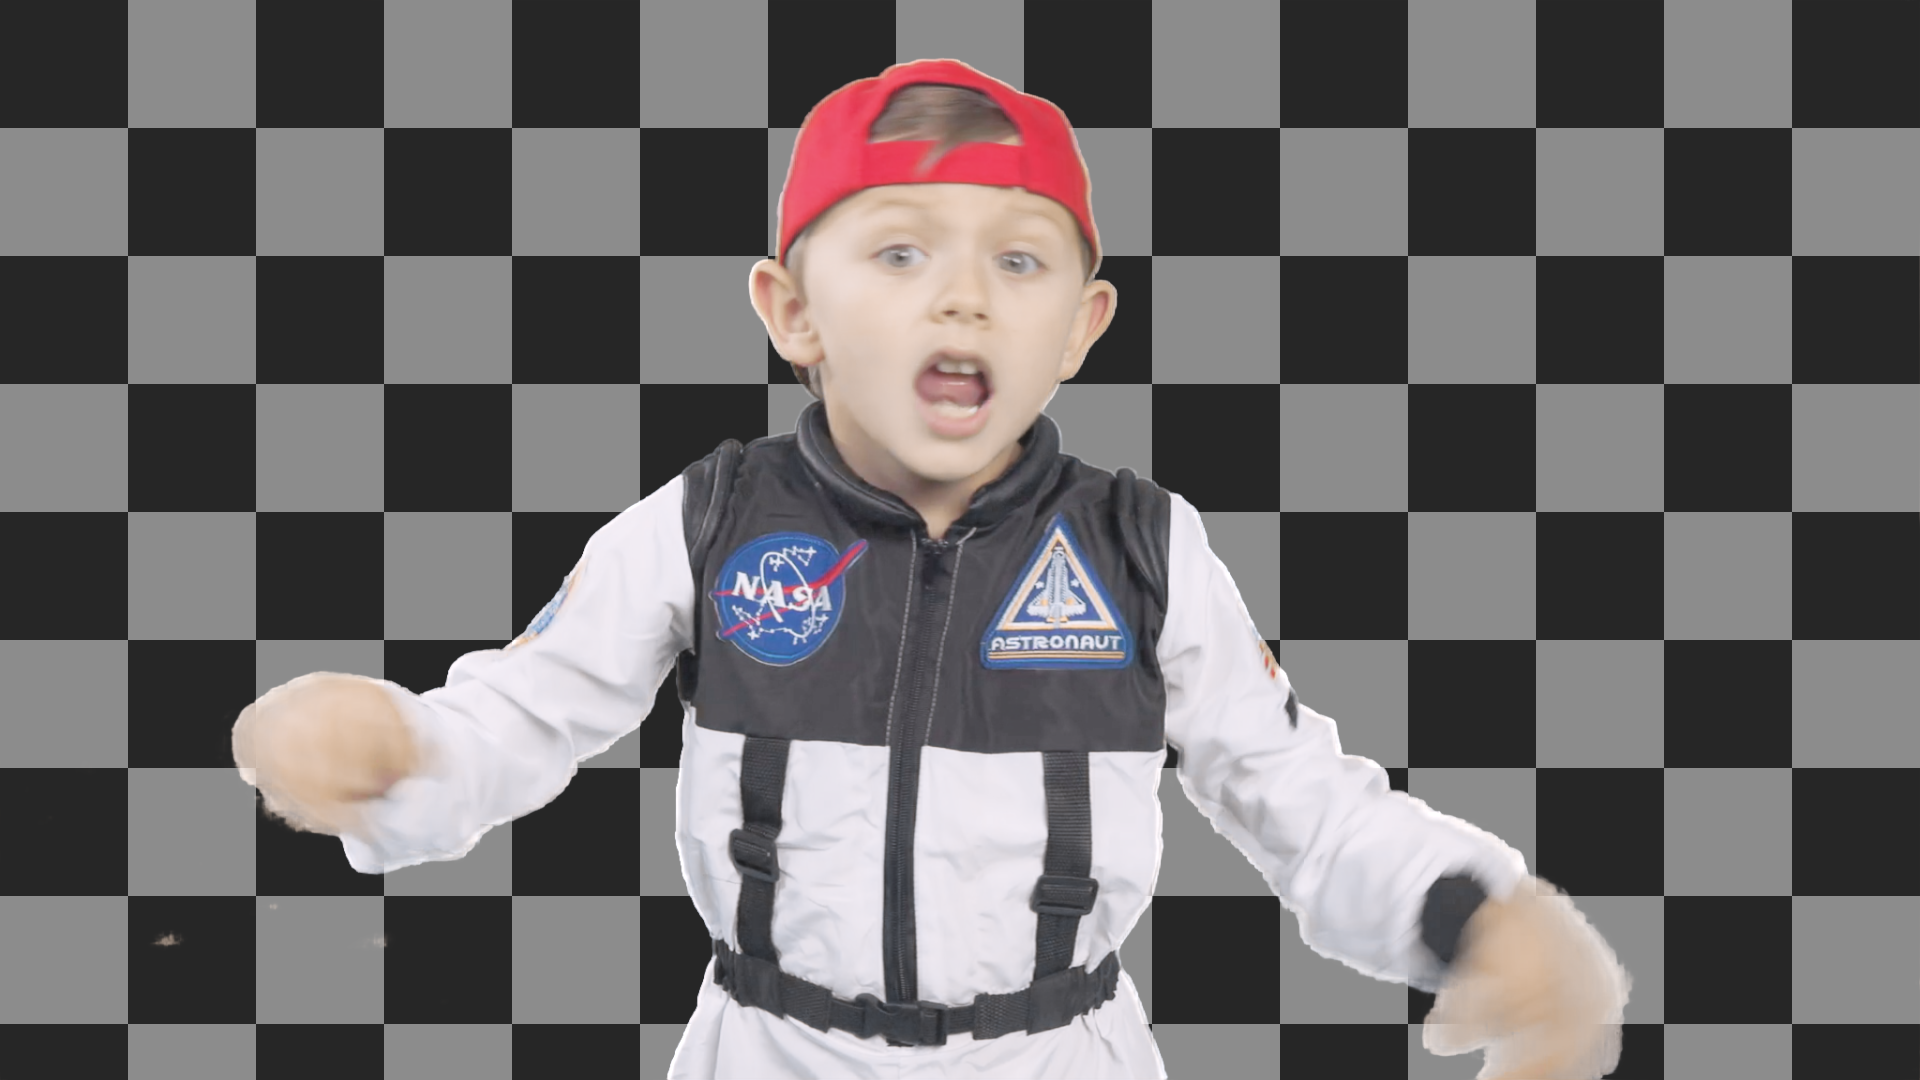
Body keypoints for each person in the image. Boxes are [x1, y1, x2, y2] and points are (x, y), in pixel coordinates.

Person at [233, 58, 1629, 1080]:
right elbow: (519, 717)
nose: (963, 294)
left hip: (1059, 1055)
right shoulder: (708, 523)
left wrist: (1478, 919)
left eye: (1020, 262)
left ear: (1079, 328)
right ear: (793, 311)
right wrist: (387, 754)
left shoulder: (1142, 550)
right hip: (769, 1051)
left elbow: (1305, 804)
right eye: (899, 251)